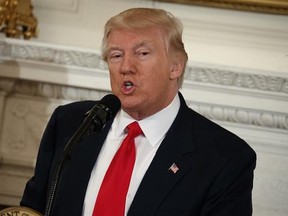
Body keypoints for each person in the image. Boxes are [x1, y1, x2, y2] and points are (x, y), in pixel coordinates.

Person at [20, 8, 256, 216]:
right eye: (116, 55)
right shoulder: (70, 123)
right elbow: (32, 209)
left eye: (142, 53)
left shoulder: (224, 157)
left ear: (176, 66)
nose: (126, 67)